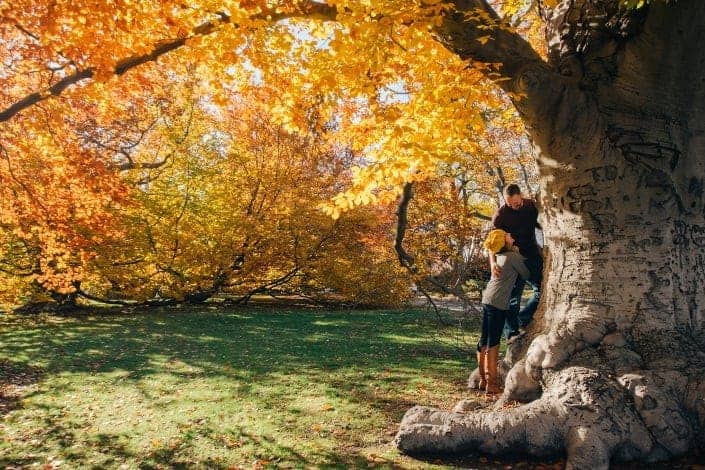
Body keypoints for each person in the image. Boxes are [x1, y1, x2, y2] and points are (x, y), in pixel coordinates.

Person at [478, 229, 530, 394]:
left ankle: (483, 379)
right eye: (508, 235)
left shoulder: (500, 257)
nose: (511, 236)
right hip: (498, 302)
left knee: (484, 339)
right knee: (493, 341)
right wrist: (518, 253)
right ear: (504, 241)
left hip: (487, 298)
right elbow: (526, 273)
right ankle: (492, 384)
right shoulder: (512, 257)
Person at [490, 184, 543, 342]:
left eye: (517, 204)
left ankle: (523, 319)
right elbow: (492, 243)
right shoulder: (500, 216)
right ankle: (511, 332)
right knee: (513, 298)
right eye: (509, 204)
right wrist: (493, 263)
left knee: (542, 291)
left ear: (521, 196)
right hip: (512, 258)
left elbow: (542, 225)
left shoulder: (531, 206)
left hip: (532, 255)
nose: (514, 207)